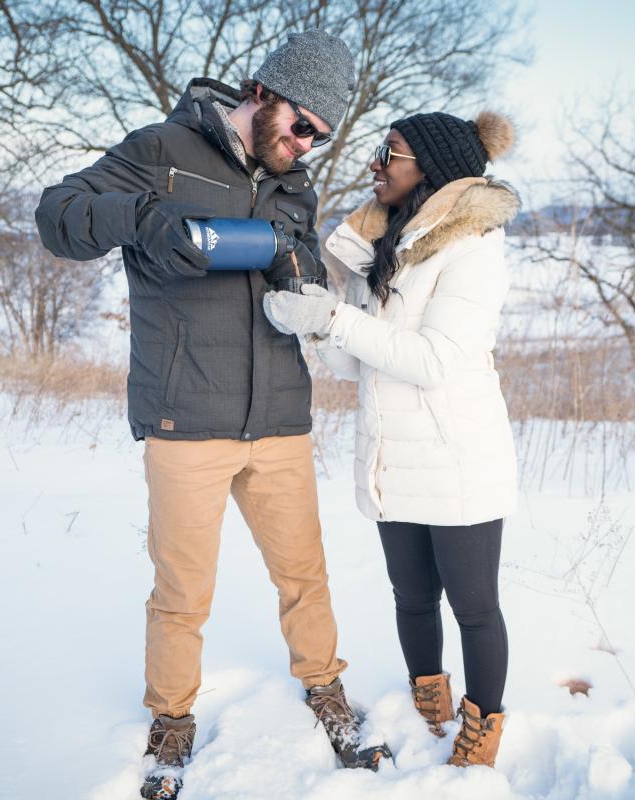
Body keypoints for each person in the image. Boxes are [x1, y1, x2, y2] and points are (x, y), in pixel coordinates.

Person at [34, 30, 388, 800]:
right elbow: (56, 216)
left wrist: (297, 267)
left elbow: (297, 257)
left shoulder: (293, 184)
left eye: (320, 138)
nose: (305, 145)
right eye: (301, 125)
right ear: (262, 93)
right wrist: (141, 216)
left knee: (305, 575)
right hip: (185, 415)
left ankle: (325, 688)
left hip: (280, 416)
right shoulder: (159, 148)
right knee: (183, 590)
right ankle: (171, 718)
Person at [263, 110, 520, 769]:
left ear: (429, 167)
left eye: (391, 153)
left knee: (474, 607)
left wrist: (338, 319)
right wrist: (316, 325)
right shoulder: (391, 246)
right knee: (412, 597)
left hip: (456, 458)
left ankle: (482, 727)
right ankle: (428, 696)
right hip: (391, 455)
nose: (376, 163)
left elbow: (434, 360)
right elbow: (356, 364)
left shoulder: (473, 248)